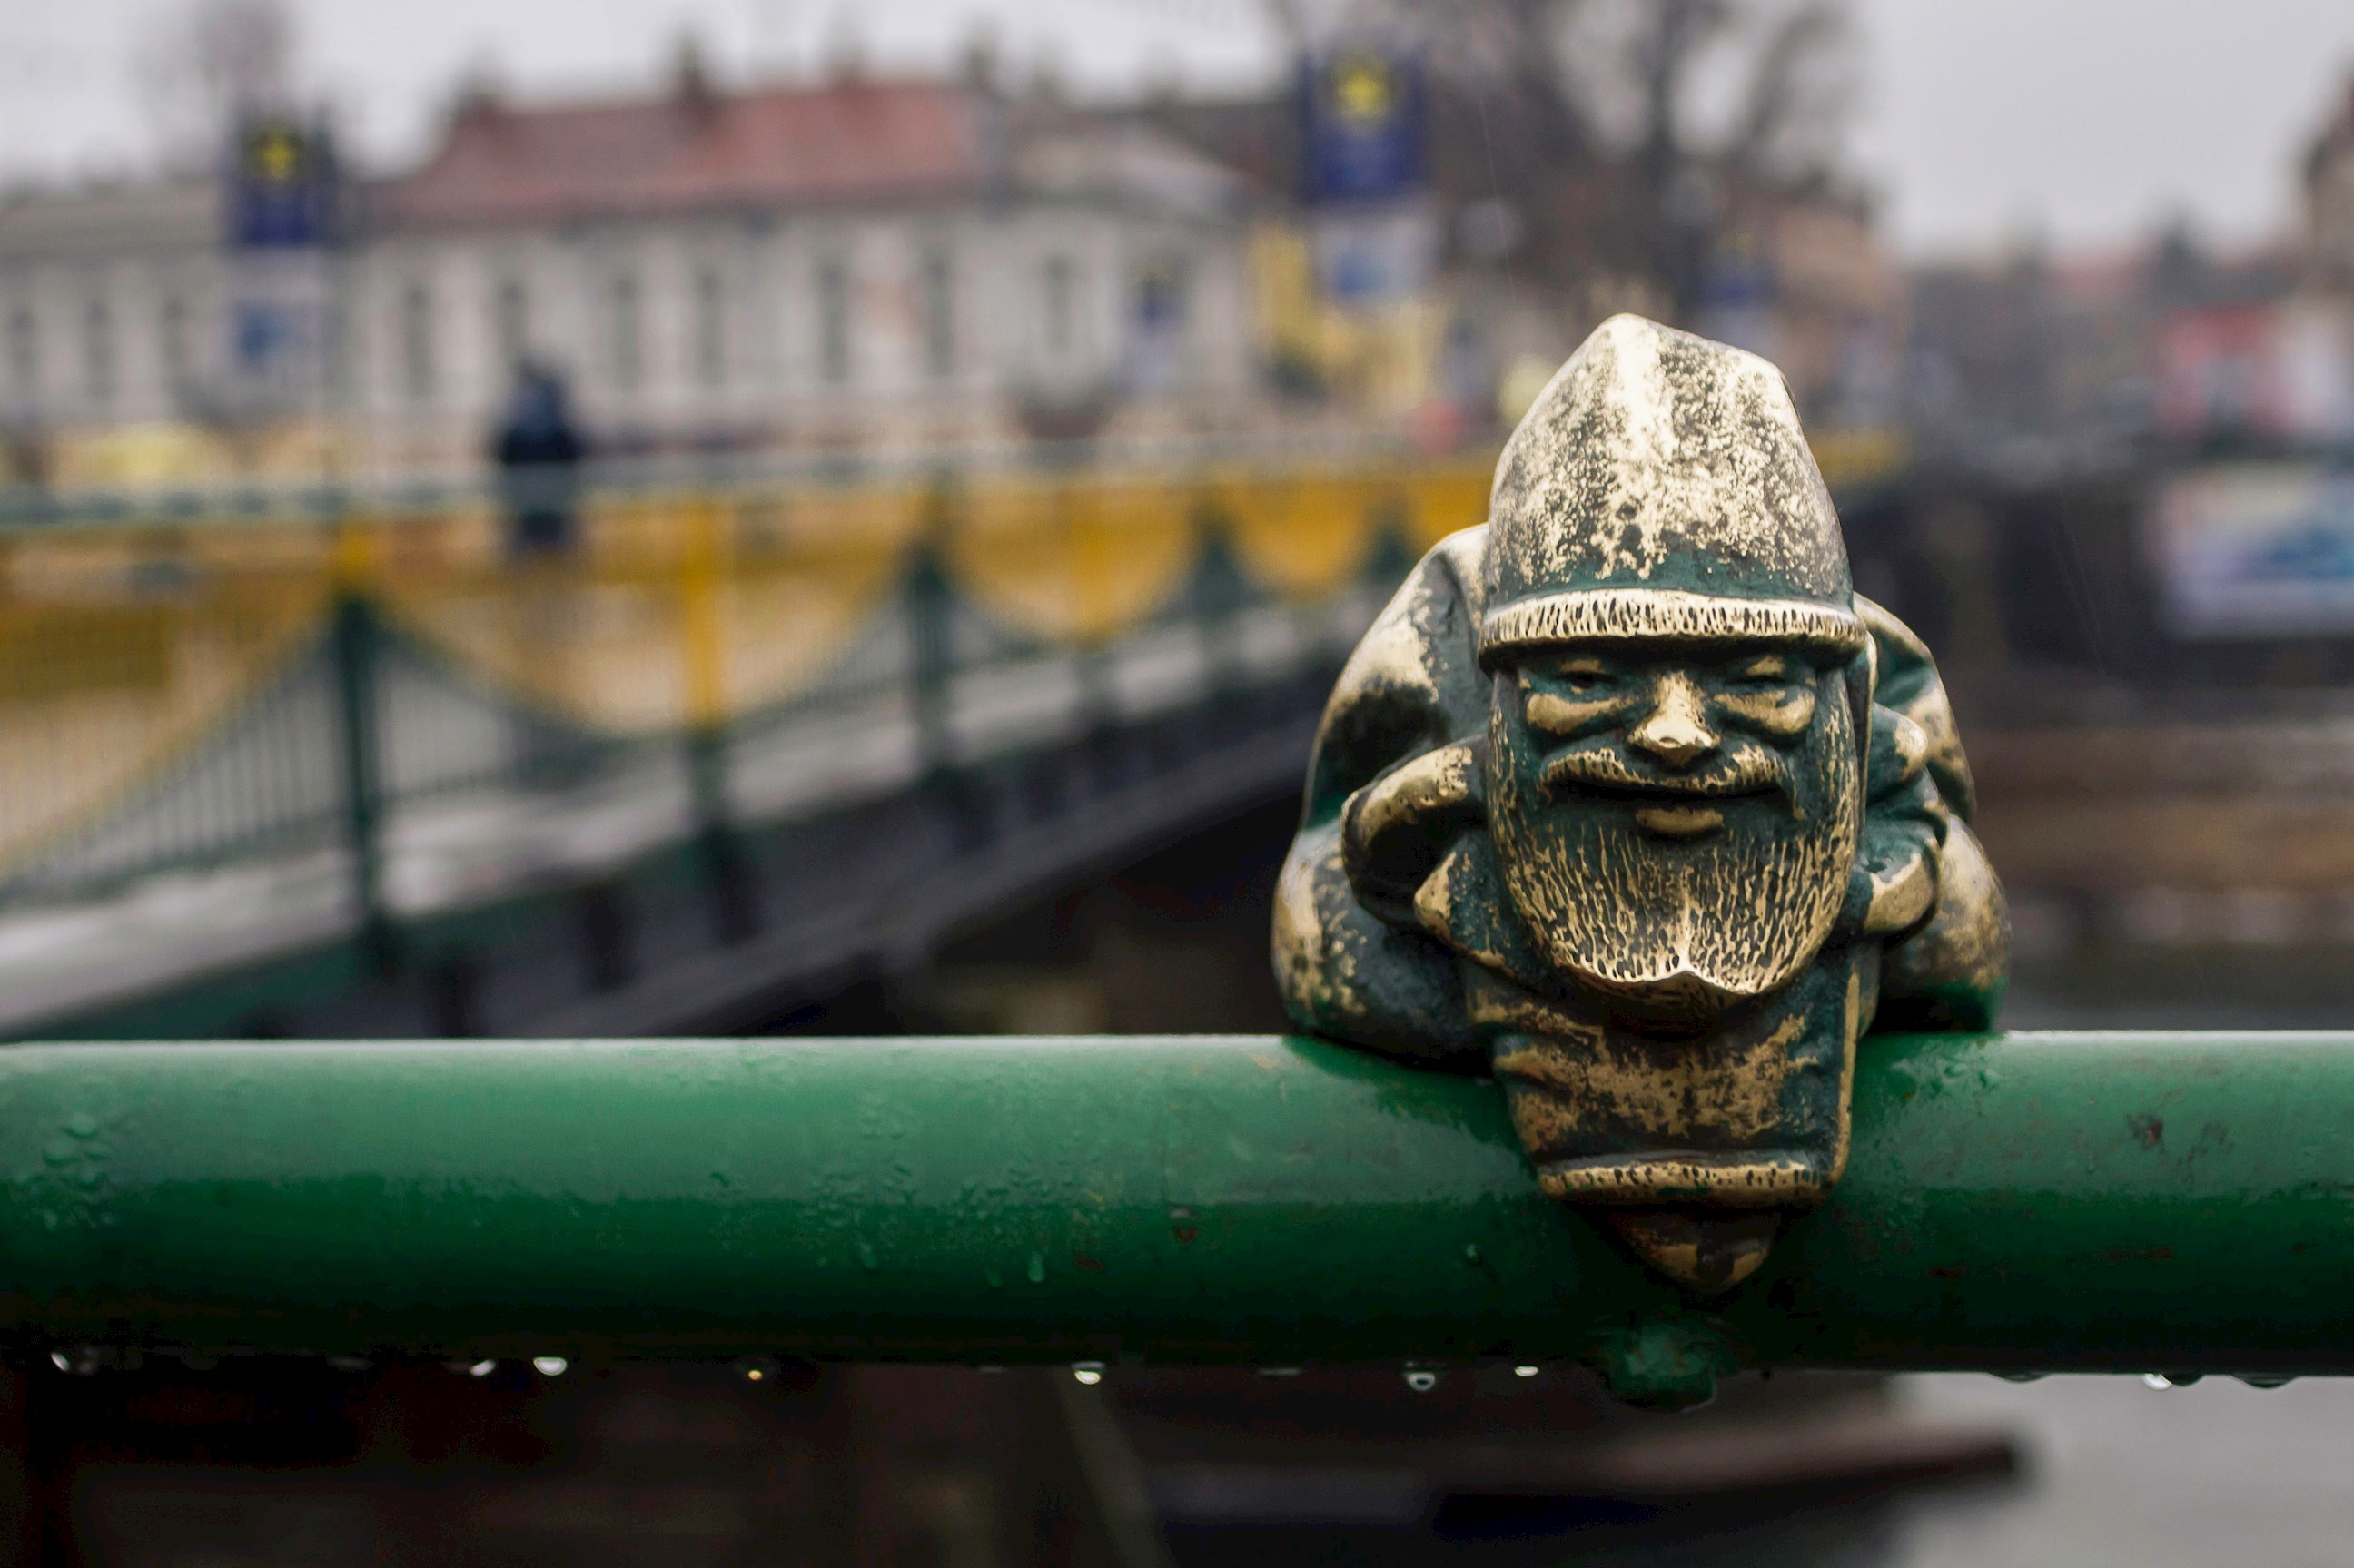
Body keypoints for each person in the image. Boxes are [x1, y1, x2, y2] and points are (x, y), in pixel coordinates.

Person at [1271, 314, 2006, 1290]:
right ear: (1487, 713)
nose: (1674, 732)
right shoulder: (1384, 889)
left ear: (1853, 708)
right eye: (1585, 676)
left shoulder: (1921, 886)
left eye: (1754, 679)